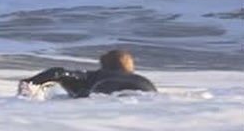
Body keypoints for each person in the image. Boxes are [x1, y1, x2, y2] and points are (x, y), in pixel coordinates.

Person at [18, 49, 157, 98]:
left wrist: (28, 84)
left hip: (105, 88)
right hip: (146, 91)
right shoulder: (142, 79)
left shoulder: (92, 77)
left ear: (104, 64)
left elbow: (58, 72)